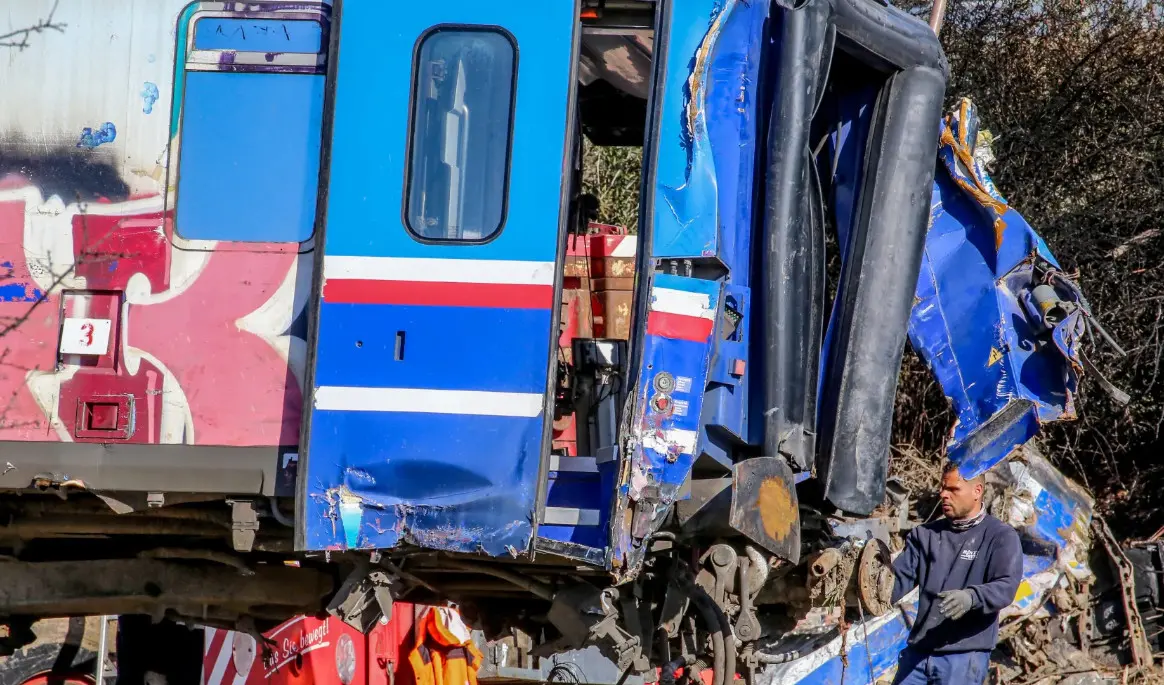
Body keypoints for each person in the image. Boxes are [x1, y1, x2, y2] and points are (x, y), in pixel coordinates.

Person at [890, 461, 1023, 684]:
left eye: (953, 489)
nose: (944, 494)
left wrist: (971, 597)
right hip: (919, 654)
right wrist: (860, 599)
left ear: (977, 492)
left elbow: (1006, 587)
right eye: (943, 488)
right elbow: (895, 582)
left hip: (963, 659)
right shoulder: (925, 535)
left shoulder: (1000, 537)